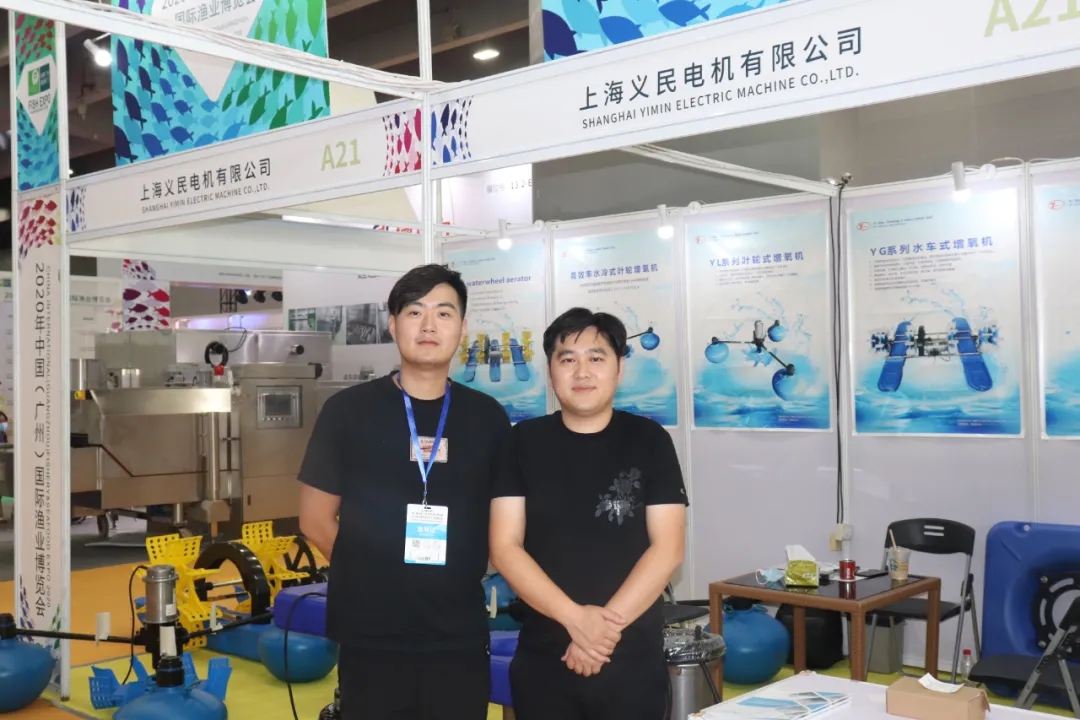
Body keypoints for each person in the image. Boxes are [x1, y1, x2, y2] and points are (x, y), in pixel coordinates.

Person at [298, 264, 513, 720]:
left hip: (457, 630)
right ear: (393, 324)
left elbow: (504, 524)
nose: (429, 325)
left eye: (444, 313)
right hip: (371, 629)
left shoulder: (487, 418)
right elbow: (314, 520)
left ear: (463, 328)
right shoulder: (347, 412)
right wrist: (375, 575)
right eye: (415, 312)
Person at [490, 307, 689, 720]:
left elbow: (668, 549)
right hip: (546, 656)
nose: (582, 371)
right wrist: (576, 620)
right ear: (550, 371)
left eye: (596, 357)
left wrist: (600, 634)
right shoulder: (521, 442)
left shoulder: (650, 440)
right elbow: (505, 547)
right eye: (568, 359)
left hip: (631, 658)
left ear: (619, 369)